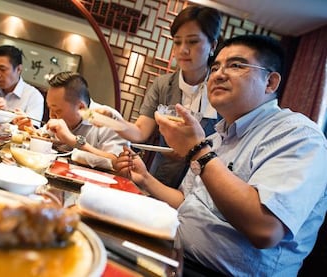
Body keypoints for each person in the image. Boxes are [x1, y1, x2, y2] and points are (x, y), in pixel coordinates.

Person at [115, 34, 327, 276]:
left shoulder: (298, 135)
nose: (218, 74)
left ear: (270, 82)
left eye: (236, 65)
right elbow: (188, 203)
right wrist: (144, 179)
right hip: (176, 255)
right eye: (215, 67)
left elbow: (265, 229)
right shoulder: (216, 138)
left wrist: (198, 151)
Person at [111, 5, 222, 188]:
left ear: (213, 45)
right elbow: (140, 131)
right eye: (177, 42)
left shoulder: (221, 91)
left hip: (202, 187)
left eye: (193, 42)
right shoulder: (163, 85)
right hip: (160, 179)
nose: (183, 50)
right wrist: (112, 121)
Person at [13, 71, 128, 162]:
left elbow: (118, 162)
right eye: (49, 108)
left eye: (57, 110)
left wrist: (74, 141)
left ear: (81, 108)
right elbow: (45, 137)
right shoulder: (57, 118)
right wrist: (30, 130)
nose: (51, 116)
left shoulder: (107, 117)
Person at [0, 45, 44, 123]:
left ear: (18, 69)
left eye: (2, 69)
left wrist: (6, 114)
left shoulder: (34, 96)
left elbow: (32, 131)